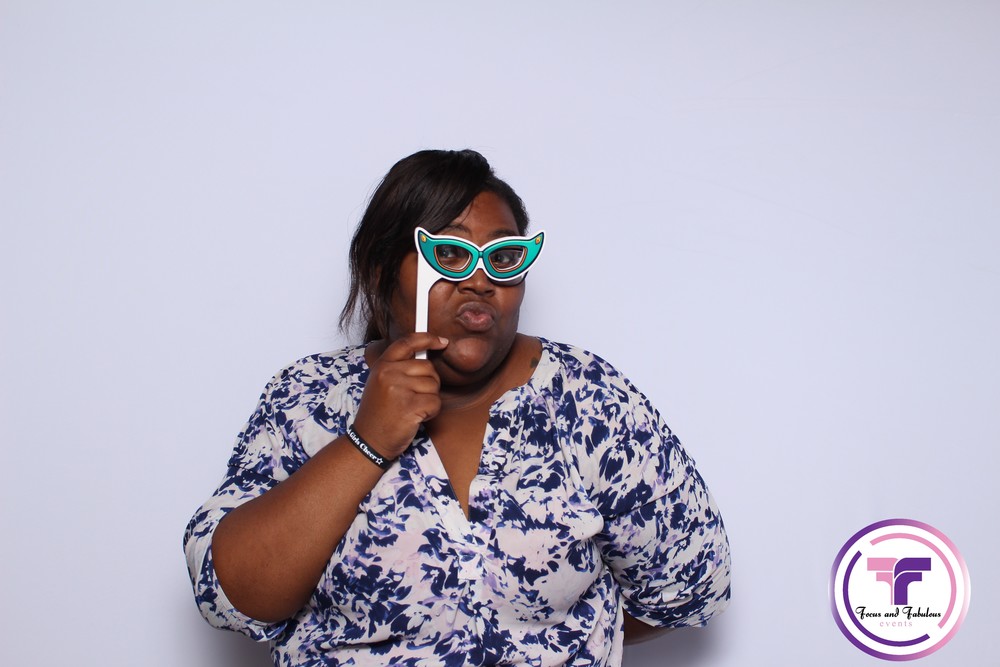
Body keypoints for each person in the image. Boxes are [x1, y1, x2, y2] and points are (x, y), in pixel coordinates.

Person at [184, 149, 731, 665]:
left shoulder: (588, 398)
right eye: (448, 253)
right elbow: (233, 599)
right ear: (381, 269)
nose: (480, 279)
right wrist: (366, 441)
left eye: (504, 257)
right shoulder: (309, 396)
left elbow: (689, 584)